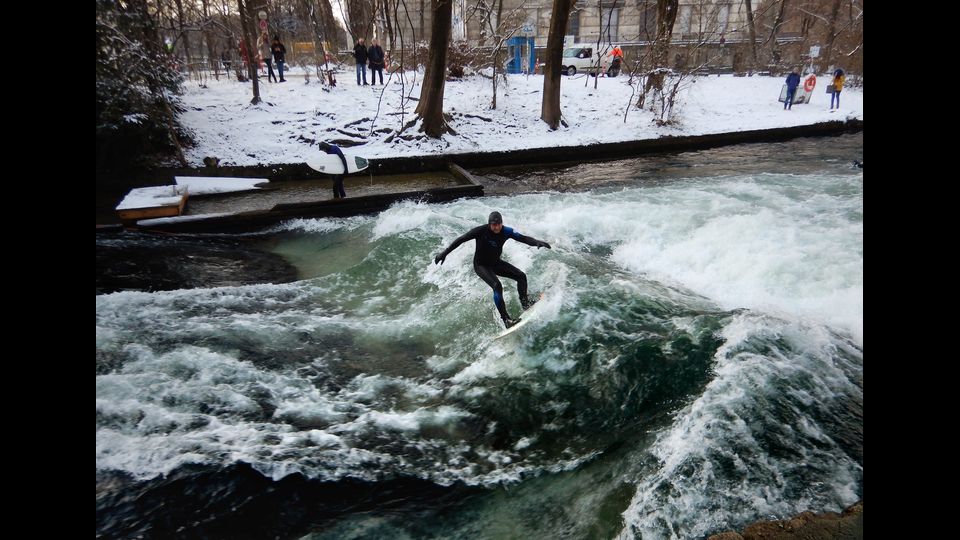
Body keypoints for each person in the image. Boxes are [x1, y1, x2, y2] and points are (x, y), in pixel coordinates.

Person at [434, 211, 551, 328]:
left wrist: (536, 242)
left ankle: (525, 304)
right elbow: (461, 239)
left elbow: (523, 238)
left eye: (498, 224)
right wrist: (445, 253)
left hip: (495, 263)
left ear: (501, 223)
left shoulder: (507, 231)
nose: (496, 227)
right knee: (497, 285)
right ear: (489, 224)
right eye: (493, 225)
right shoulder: (481, 231)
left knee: (521, 276)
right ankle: (506, 320)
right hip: (481, 266)